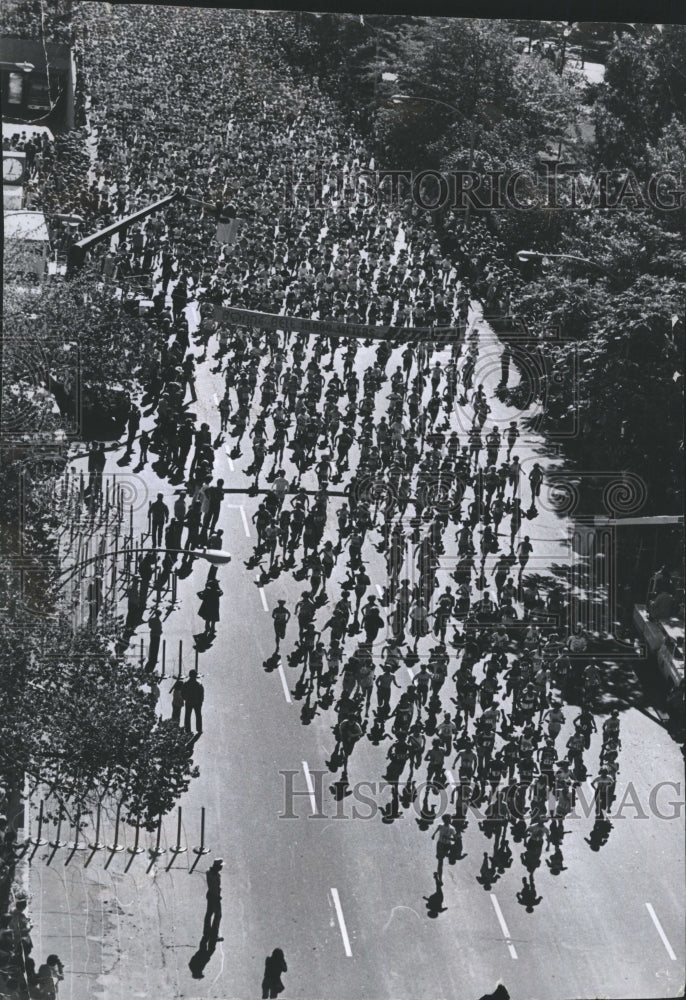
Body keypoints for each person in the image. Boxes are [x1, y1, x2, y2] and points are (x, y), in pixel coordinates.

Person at [204, 859, 223, 941]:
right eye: (221, 866)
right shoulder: (215, 875)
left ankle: (206, 932)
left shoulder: (210, 872)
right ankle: (214, 935)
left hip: (210, 895)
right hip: (215, 897)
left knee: (209, 914)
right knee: (218, 915)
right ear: (217, 866)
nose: (222, 867)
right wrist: (218, 896)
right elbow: (214, 887)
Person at [182, 670, 204, 735]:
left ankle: (187, 730)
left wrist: (185, 698)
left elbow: (182, 693)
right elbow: (201, 694)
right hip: (197, 702)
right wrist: (201, 701)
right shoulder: (199, 684)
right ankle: (199, 729)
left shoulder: (186, 684)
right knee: (198, 715)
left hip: (188, 702)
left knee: (187, 716)